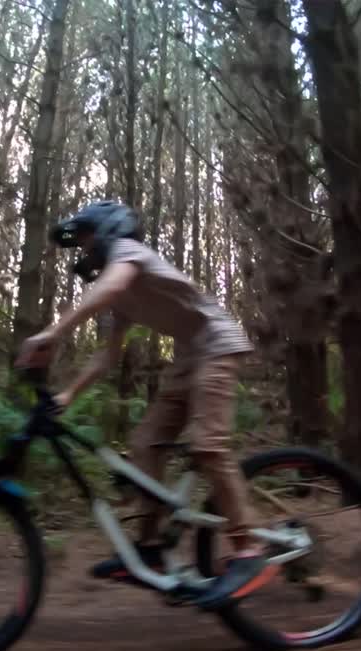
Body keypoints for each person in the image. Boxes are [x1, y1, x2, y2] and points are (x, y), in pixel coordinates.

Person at [14, 200, 274, 608]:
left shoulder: (131, 254)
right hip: (190, 356)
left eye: (85, 240)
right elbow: (107, 356)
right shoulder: (118, 297)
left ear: (107, 231)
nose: (83, 251)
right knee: (144, 445)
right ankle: (151, 547)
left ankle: (248, 549)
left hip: (218, 345)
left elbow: (113, 285)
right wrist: (69, 394)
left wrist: (53, 333)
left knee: (208, 447)